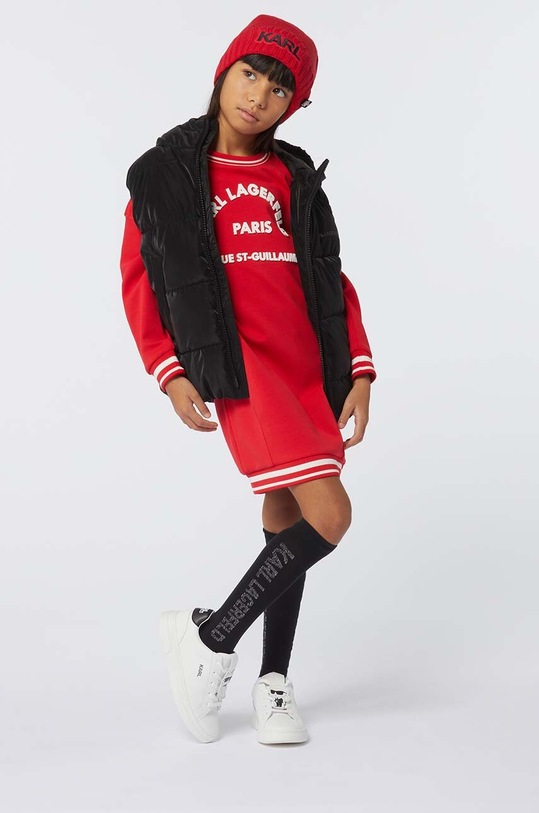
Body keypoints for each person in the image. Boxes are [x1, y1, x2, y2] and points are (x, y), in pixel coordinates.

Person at [119, 14, 377, 745]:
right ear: (224, 72)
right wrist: (168, 369)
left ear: (294, 105)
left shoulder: (293, 177)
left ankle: (273, 681)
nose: (259, 95)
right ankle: (210, 638)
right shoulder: (168, 175)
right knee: (331, 515)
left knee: (286, 515)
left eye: (280, 88)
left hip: (306, 367)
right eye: (250, 73)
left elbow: (331, 278)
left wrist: (359, 367)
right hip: (246, 368)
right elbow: (139, 277)